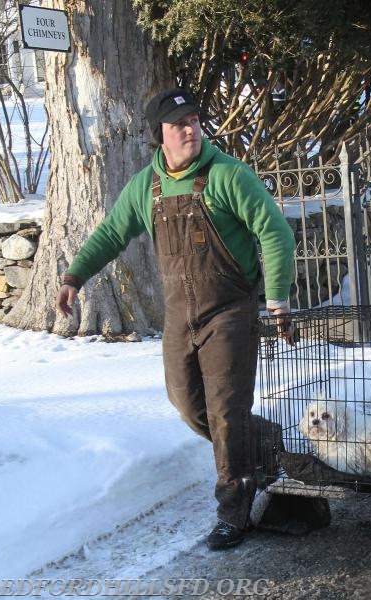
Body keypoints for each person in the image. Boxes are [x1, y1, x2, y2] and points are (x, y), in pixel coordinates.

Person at [55, 87, 297, 551]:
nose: (190, 129)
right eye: (177, 124)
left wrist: (278, 299)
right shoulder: (147, 187)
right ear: (158, 136)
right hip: (179, 317)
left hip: (229, 311)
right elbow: (111, 232)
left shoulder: (228, 175)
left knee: (226, 415)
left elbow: (275, 231)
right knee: (189, 407)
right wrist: (75, 276)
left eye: (194, 120)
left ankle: (234, 512)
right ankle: (260, 443)